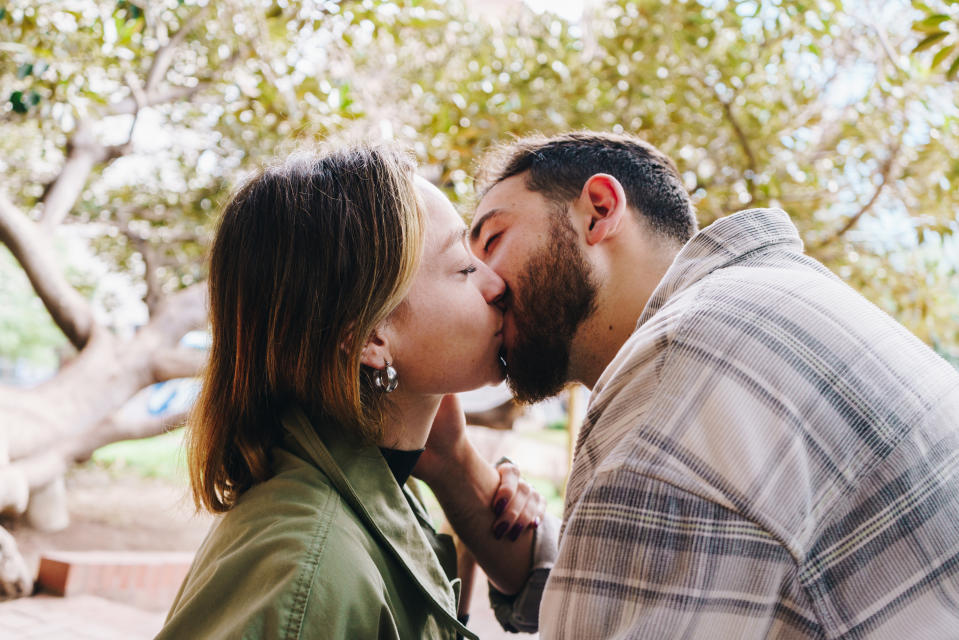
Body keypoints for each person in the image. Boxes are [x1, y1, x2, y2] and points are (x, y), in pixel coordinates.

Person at [422, 131, 959, 638]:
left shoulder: (682, 363)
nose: (484, 286)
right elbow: (621, 587)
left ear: (600, 211)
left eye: (492, 240)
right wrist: (452, 462)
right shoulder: (757, 308)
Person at [156, 145, 545, 640]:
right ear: (370, 337)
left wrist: (458, 477)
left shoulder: (381, 490)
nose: (496, 284)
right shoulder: (308, 568)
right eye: (463, 268)